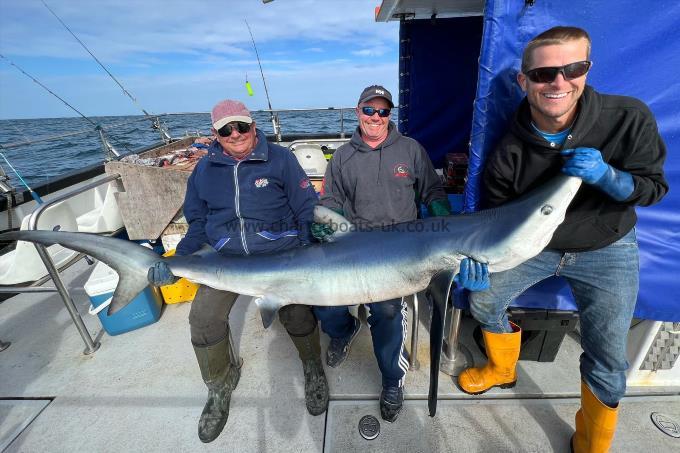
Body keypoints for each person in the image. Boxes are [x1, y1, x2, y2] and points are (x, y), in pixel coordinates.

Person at [457, 26, 668, 453]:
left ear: (587, 70)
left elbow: (653, 189)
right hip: (535, 246)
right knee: (481, 300)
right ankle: (502, 369)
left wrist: (609, 177)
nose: (559, 82)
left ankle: (591, 444)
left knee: (608, 357)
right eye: (543, 74)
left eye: (573, 68)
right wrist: (482, 259)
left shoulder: (627, 117)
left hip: (608, 244)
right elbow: (497, 223)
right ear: (524, 81)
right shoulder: (508, 153)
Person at [147, 99, 329, 443]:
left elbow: (307, 207)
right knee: (202, 319)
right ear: (215, 135)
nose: (235, 134)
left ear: (253, 126)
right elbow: (197, 222)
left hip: (280, 255)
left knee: (298, 314)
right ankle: (219, 385)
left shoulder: (280, 159)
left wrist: (308, 248)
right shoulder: (204, 170)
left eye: (241, 126)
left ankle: (312, 366)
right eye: (226, 130)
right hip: (226, 259)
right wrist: (177, 261)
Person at [312, 85, 489, 422]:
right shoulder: (342, 157)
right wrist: (325, 223)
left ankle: (392, 379)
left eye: (383, 111)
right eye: (369, 110)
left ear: (390, 114)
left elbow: (432, 192)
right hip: (356, 243)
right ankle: (343, 330)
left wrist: (447, 230)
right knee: (322, 299)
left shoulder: (410, 149)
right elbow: (331, 201)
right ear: (357, 111)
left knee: (388, 311)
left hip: (402, 246)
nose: (376, 117)